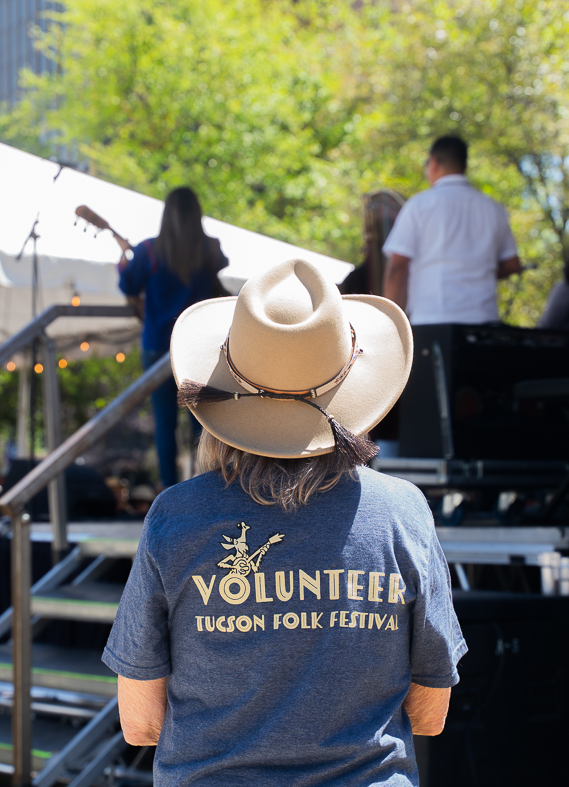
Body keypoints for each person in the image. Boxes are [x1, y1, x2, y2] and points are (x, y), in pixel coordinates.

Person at [103, 259, 468, 786]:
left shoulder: (176, 517)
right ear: (351, 389)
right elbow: (430, 713)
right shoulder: (403, 513)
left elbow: (140, 723)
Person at [78, 188, 229, 490]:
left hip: (158, 345)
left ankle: (169, 489)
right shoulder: (208, 247)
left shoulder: (149, 250)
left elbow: (129, 286)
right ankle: (210, 486)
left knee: (165, 423)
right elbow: (217, 272)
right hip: (197, 345)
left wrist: (125, 260)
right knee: (203, 422)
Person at [382, 135, 521, 324]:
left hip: (432, 319)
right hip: (483, 321)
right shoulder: (493, 208)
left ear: (433, 163)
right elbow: (512, 264)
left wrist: (388, 322)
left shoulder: (420, 205)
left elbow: (397, 267)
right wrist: (476, 270)